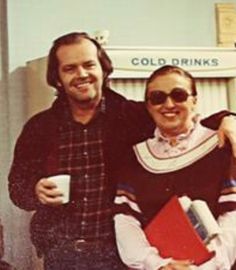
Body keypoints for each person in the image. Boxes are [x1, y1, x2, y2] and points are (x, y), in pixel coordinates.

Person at [8, 33, 236, 270]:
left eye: (89, 65)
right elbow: (17, 188)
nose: (82, 74)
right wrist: (35, 190)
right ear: (57, 77)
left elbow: (180, 122)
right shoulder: (39, 127)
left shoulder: (133, 116)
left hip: (119, 256)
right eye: (70, 68)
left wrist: (228, 118)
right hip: (62, 255)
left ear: (103, 69)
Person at [114, 65, 236, 270]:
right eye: (157, 97)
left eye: (178, 95)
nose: (168, 104)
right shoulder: (136, 156)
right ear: (148, 106)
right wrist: (157, 264)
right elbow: (125, 220)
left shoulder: (222, 146)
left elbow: (233, 216)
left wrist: (207, 267)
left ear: (194, 101)